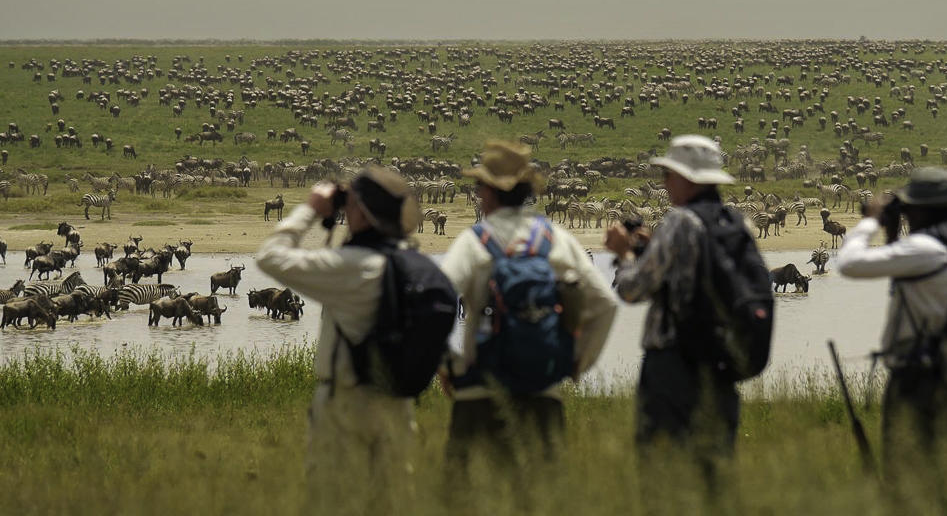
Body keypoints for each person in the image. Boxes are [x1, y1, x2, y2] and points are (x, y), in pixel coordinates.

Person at [440, 140, 617, 471]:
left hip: (480, 388)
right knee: (539, 496)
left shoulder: (474, 240)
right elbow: (605, 302)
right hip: (543, 389)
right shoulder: (555, 238)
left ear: (490, 192)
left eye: (479, 186)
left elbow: (433, 301)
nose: (478, 194)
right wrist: (577, 362)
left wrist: (448, 364)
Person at [256, 166, 421, 516]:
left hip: (347, 402)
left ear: (359, 212)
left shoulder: (349, 266)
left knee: (333, 501)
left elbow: (270, 256)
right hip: (399, 406)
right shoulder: (416, 266)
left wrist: (312, 210)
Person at [604, 135, 747, 495]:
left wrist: (623, 256)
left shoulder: (681, 223)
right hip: (722, 362)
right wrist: (653, 249)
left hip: (674, 365)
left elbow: (632, 290)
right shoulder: (736, 224)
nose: (664, 183)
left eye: (669, 176)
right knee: (713, 475)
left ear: (688, 179)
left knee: (662, 474)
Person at [836, 167, 947, 510]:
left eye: (910, 207)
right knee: (935, 476)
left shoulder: (926, 249)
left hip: (916, 380)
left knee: (903, 482)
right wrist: (892, 233)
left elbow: (850, 264)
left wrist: (870, 221)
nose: (906, 213)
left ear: (924, 211)